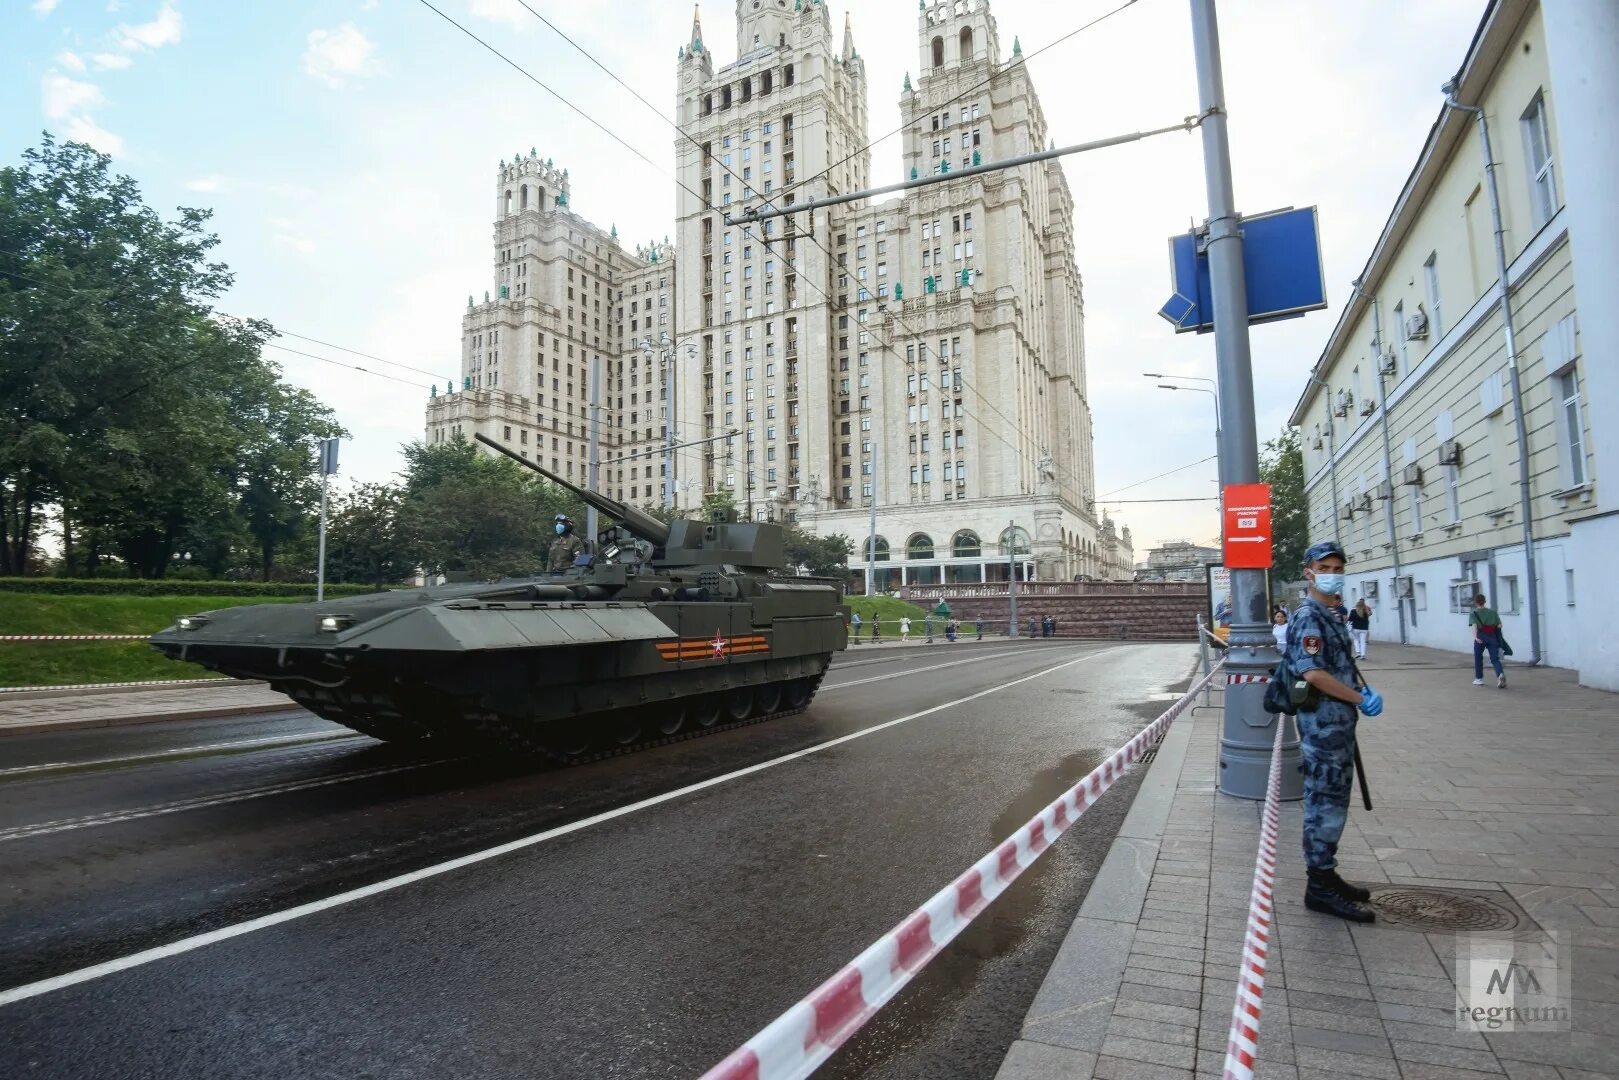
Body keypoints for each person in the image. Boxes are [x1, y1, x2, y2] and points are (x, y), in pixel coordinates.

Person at [1287, 539, 1384, 923]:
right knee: (1324, 805)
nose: (1331, 575)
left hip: (1337, 724)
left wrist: (1359, 691)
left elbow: (1337, 667)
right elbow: (1313, 673)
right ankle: (1319, 887)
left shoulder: (1332, 613)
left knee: (1334, 801)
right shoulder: (1310, 615)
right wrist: (1360, 700)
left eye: (1336, 568)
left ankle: (1326, 874)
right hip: (1323, 727)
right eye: (1323, 569)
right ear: (1308, 573)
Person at [1469, 593, 1507, 688]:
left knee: (1478, 658)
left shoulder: (1473, 614)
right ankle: (1500, 674)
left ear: (1476, 602)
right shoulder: (1493, 612)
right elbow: (1500, 625)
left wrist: (1476, 638)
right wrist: (1491, 627)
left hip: (1481, 637)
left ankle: (1479, 679)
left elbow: (1474, 627)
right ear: (1485, 601)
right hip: (1492, 636)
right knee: (1495, 659)